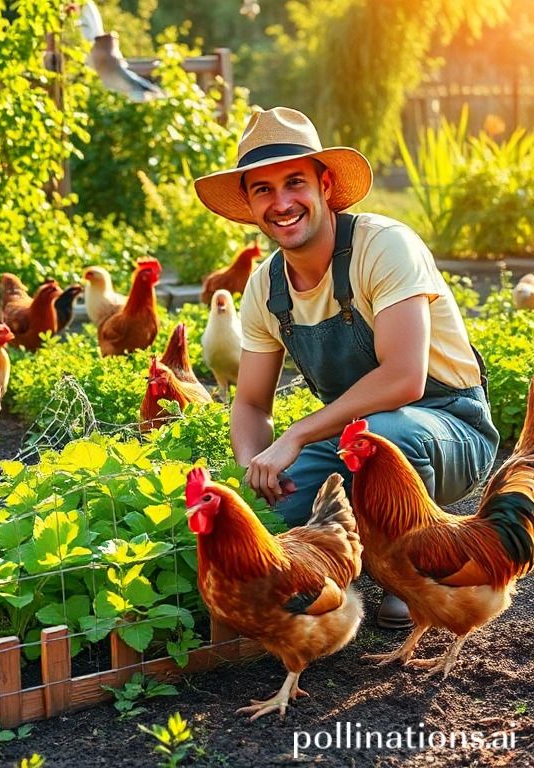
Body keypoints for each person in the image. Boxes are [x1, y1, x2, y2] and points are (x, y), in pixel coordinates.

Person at [194, 107, 499, 629]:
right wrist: (256, 468)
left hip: (448, 427)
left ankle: (409, 576)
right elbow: (248, 402)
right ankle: (347, 569)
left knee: (387, 433)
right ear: (248, 202)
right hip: (352, 441)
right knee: (278, 519)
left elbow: (405, 377)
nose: (282, 202)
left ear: (325, 184)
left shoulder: (383, 247)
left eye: (295, 182)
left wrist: (296, 435)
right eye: (263, 189)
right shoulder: (266, 288)